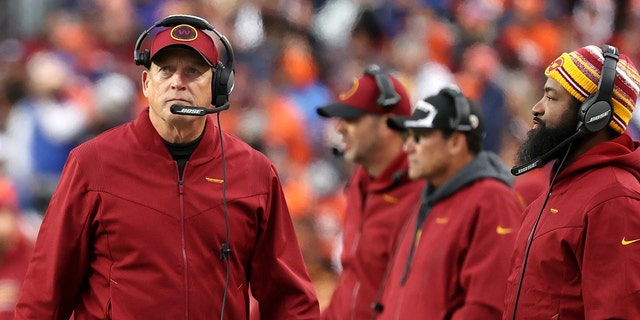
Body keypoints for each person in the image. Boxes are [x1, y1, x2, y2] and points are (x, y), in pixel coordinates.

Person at [14, 14, 319, 319]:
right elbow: (45, 292)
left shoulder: (255, 173)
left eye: (193, 71)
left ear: (217, 86)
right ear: (146, 83)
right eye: (166, 70)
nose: (178, 82)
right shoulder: (92, 164)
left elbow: (290, 300)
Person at [503, 44, 640, 319]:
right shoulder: (555, 191)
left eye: (551, 98)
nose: (536, 108)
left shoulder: (615, 198)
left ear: (593, 115)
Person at [376, 87, 523, 319]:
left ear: (455, 142)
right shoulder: (429, 199)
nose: (408, 148)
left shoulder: (492, 200)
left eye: (419, 137)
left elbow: (487, 307)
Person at [316, 65, 425, 319]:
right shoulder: (360, 184)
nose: (340, 127)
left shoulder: (425, 193)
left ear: (387, 123)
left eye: (352, 119)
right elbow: (354, 282)